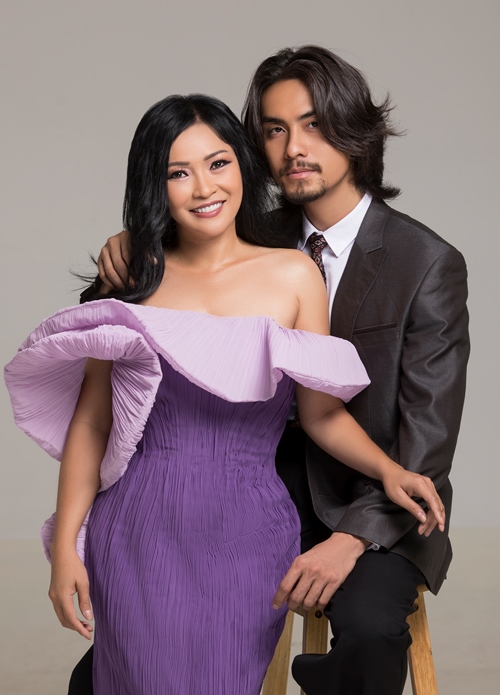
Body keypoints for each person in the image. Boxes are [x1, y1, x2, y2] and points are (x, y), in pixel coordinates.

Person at [4, 94, 446, 695]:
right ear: (154, 185)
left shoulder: (294, 275)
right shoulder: (132, 281)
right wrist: (64, 550)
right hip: (136, 529)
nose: (203, 187)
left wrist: (389, 470)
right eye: (177, 173)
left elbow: (320, 414)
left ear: (242, 165)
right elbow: (91, 425)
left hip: (249, 532)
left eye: (218, 164)